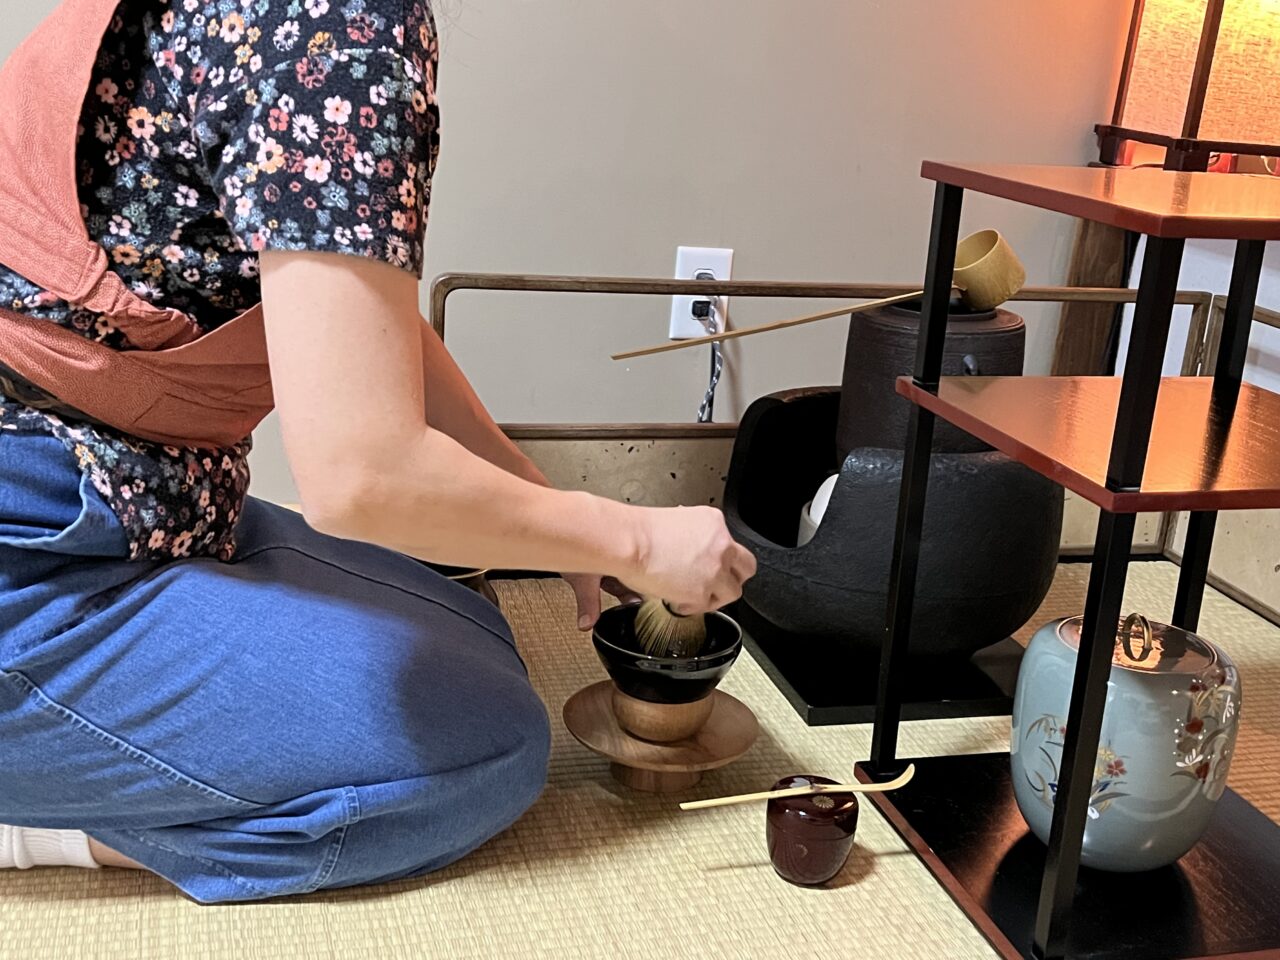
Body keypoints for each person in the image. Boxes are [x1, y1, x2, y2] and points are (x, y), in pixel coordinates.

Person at [0, 0, 755, 902]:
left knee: (478, 634)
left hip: (143, 495)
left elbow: (351, 311)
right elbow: (361, 478)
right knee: (488, 749)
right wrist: (636, 541)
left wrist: (535, 495)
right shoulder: (336, 21)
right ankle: (40, 830)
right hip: (42, 536)